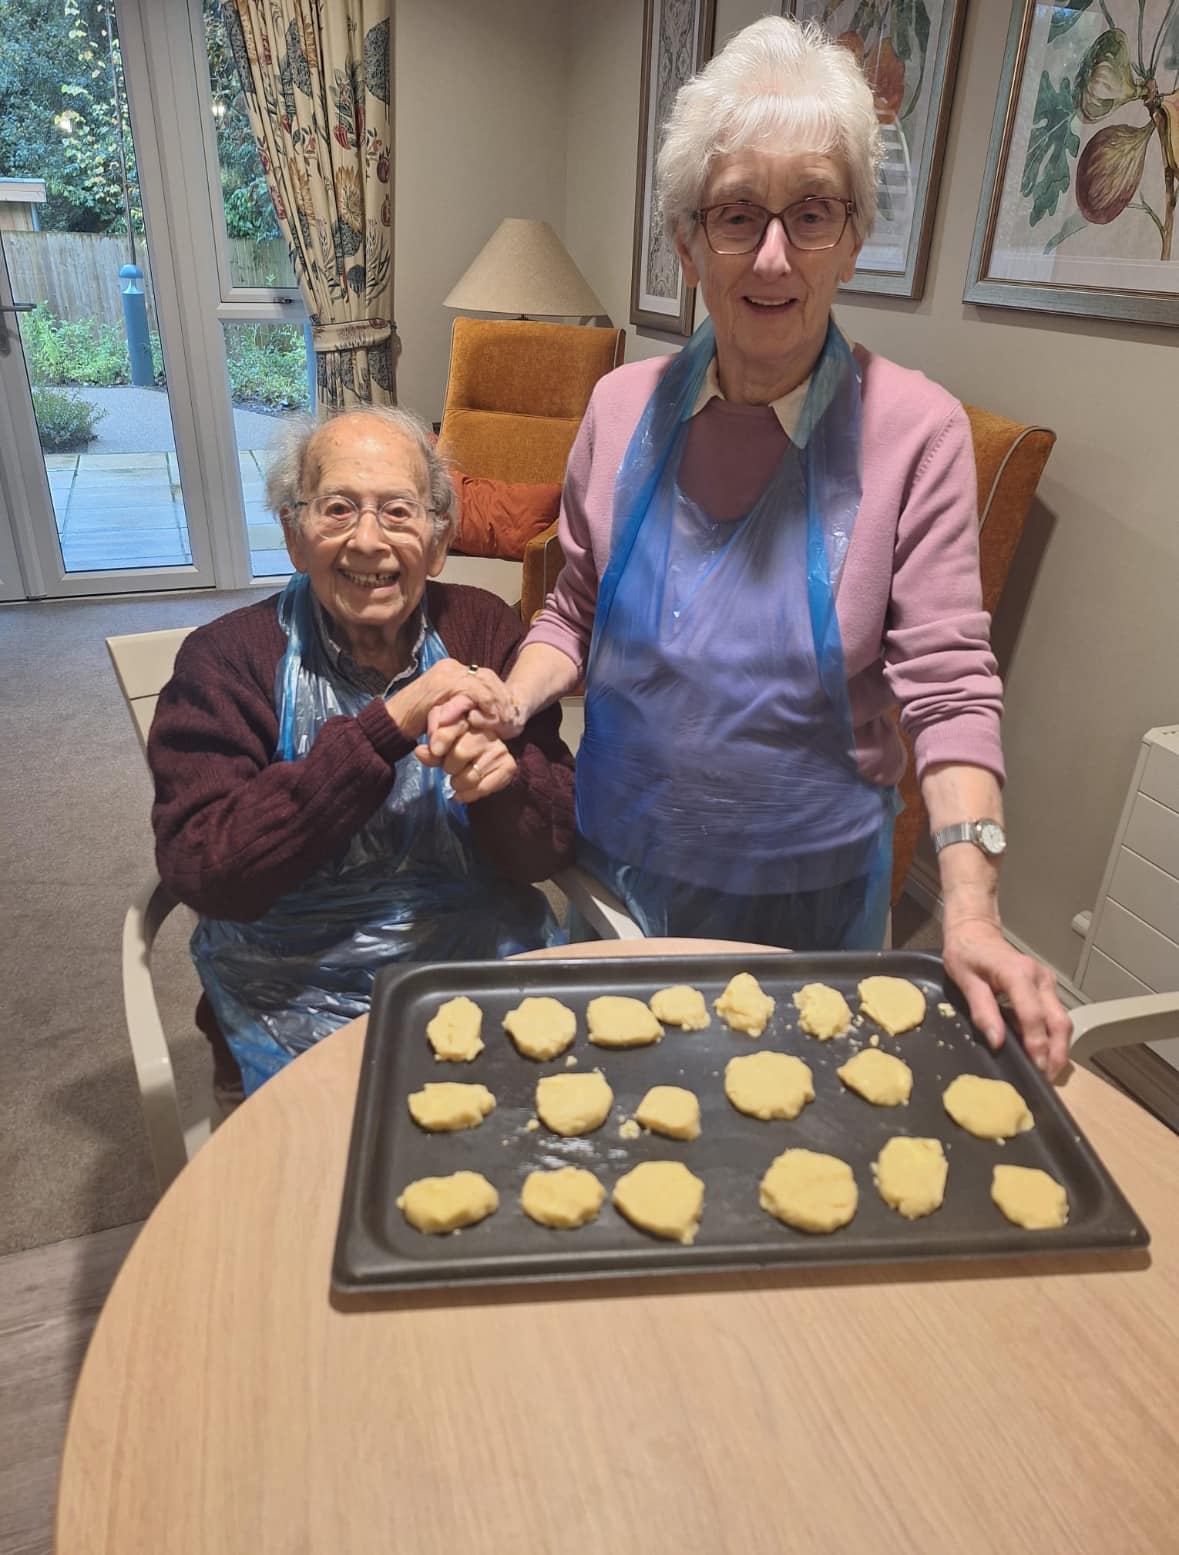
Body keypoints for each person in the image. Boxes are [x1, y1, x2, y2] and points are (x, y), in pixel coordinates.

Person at [429, 17, 1071, 1076]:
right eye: (737, 215)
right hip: (620, 855)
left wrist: (969, 904)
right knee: (627, 1113)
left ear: (855, 235)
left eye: (811, 212)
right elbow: (573, 608)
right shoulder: (621, 404)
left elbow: (952, 688)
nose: (774, 256)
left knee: (790, 1135)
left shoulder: (915, 430)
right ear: (688, 242)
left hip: (815, 891)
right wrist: (515, 693)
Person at [148, 404, 575, 1097]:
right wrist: (388, 726)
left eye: (399, 512)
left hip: (476, 970)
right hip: (290, 984)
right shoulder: (226, 662)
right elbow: (207, 870)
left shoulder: (484, 628)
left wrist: (505, 789)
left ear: (437, 542)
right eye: (338, 508)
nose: (368, 542)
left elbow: (549, 849)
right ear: (295, 534)